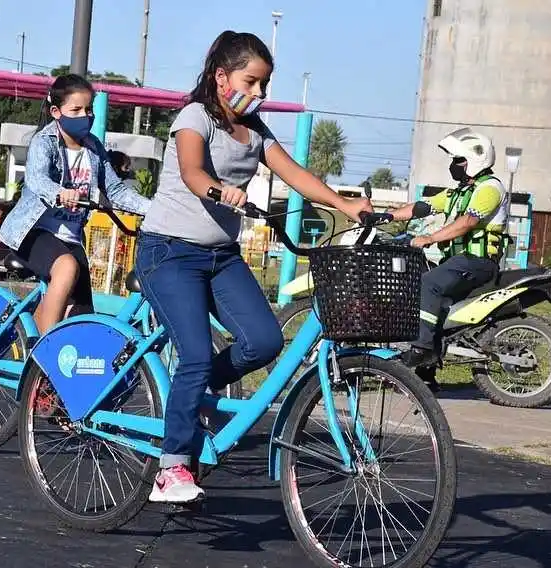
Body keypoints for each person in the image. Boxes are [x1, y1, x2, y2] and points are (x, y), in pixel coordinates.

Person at [135, 30, 373, 504]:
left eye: (265, 84)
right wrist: (219, 189)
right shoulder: (194, 117)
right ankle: (173, 465)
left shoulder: (256, 129)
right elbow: (191, 171)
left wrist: (346, 205)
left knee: (263, 341)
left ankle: (193, 394)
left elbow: (297, 175)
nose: (260, 93)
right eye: (252, 81)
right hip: (169, 252)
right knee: (197, 353)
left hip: (219, 257)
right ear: (221, 77)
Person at [0, 73, 151, 334]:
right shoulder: (44, 142)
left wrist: (158, 210)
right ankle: (42, 360)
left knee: (79, 320)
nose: (85, 116)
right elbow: (35, 180)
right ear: (56, 111)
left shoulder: (93, 147)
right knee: (66, 268)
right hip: (33, 232)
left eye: (88, 110)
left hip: (71, 238)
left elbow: (115, 191)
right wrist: (60, 192)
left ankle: (28, 354)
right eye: (76, 110)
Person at [386, 127, 507, 384]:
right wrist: (386, 216)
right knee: (420, 282)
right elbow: (423, 206)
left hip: (478, 262)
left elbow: (467, 223)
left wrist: (429, 238)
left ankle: (421, 349)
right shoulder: (460, 191)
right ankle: (426, 375)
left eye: (458, 160)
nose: (454, 165)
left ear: (475, 160)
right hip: (459, 261)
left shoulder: (490, 189)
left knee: (429, 284)